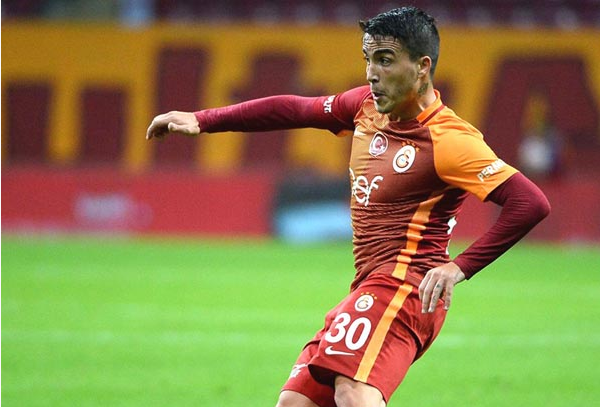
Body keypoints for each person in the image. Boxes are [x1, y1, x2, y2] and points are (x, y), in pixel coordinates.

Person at [146, 6, 550, 407]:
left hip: (404, 286)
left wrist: (458, 267)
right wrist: (203, 119)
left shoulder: (449, 140)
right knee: (295, 403)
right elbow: (295, 108)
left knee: (353, 392)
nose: (372, 73)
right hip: (370, 284)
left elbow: (529, 202)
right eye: (368, 59)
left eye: (385, 60)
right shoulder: (365, 107)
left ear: (422, 67)